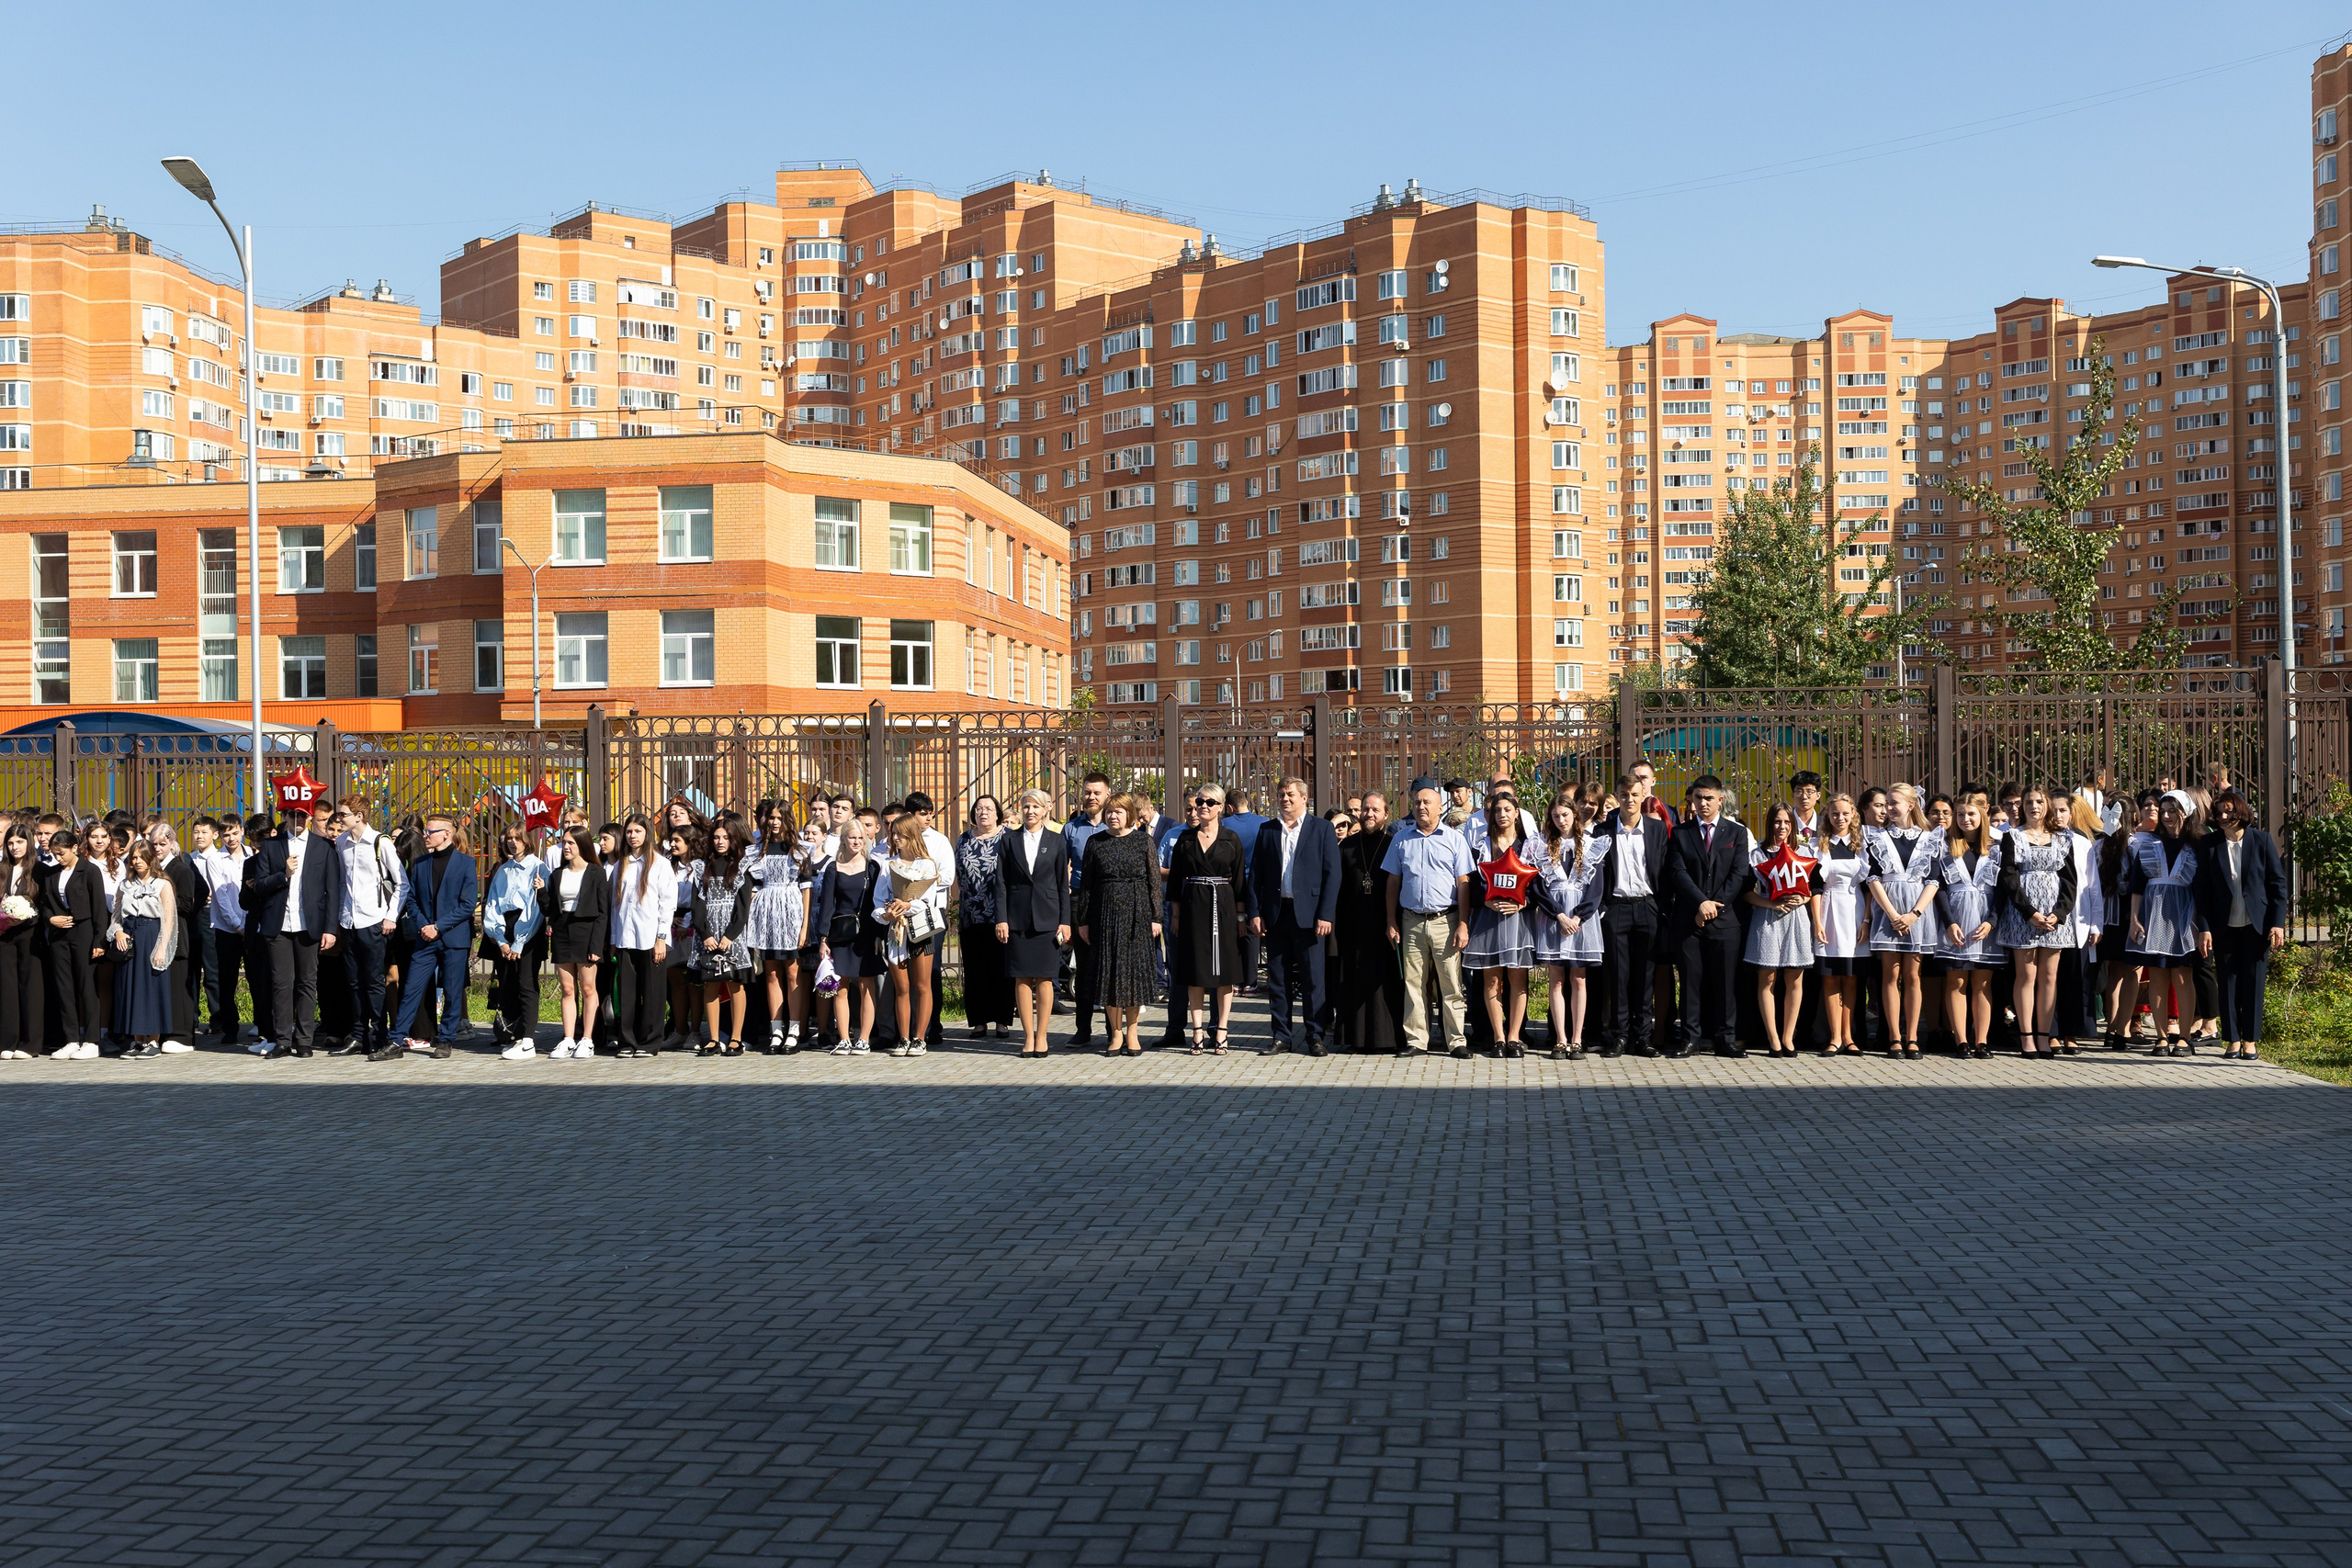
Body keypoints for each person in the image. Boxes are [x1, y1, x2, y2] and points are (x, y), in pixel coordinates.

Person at [1382, 777, 1477, 1058]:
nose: (1421, 807)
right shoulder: (1401, 839)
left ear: (1439, 807)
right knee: (1414, 984)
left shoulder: (1454, 839)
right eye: (1417, 803)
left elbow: (1464, 883)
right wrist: (1391, 920)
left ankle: (1456, 1041)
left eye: (1427, 803)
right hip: (1411, 920)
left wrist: (1463, 923)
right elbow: (1392, 883)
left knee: (1450, 983)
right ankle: (1416, 1040)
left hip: (1445, 921)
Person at [1247, 775, 1342, 1056]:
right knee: (1278, 978)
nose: (1285, 799)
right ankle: (1281, 1036)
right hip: (1277, 915)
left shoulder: (1321, 829)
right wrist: (1255, 913)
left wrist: (1326, 914)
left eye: (1290, 794)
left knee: (1313, 979)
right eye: (1281, 794)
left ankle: (1314, 1035)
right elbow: (1257, 876)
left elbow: (1332, 875)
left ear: (1304, 798)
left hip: (1310, 917)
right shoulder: (1267, 830)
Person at [243, 802, 345, 1060]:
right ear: (284, 817)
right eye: (292, 814)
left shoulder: (324, 846)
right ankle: (282, 1040)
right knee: (280, 983)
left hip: (310, 924)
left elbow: (332, 891)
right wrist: (283, 873)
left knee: (307, 983)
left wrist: (330, 929)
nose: (297, 819)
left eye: (302, 815)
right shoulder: (271, 846)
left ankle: (304, 1040)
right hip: (278, 924)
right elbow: (260, 885)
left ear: (310, 817)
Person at [2196, 786, 2287, 1062]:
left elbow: (2277, 884)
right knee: (2228, 981)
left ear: (2241, 812)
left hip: (2256, 924)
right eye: (2219, 811)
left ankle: (2250, 1041)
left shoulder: (2261, 840)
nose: (2223, 816)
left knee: (2254, 982)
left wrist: (2277, 923)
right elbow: (2201, 890)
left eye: (2228, 811)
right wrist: (2204, 927)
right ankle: (2232, 1040)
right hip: (2223, 925)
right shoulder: (2209, 845)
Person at [1664, 774, 1752, 1058]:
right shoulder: (1680, 832)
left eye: (1709, 798)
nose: (1703, 803)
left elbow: (1739, 874)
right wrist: (1700, 904)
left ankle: (1725, 1038)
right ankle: (1691, 1038)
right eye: (1698, 797)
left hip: (1725, 920)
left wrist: (1714, 906)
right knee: (1690, 980)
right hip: (1689, 920)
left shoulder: (1736, 833)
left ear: (1720, 800)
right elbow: (1677, 873)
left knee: (1725, 982)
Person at [1461, 784, 1552, 1059]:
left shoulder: (1529, 847)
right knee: (1491, 978)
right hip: (1488, 919)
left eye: (1507, 809)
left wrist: (1523, 903)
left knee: (1517, 978)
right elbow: (1472, 884)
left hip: (1519, 920)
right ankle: (1498, 1038)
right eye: (1497, 809)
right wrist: (1485, 901)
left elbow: (1539, 886)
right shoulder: (1481, 846)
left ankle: (1514, 1037)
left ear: (1517, 814)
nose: (1502, 814)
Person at [1074, 792, 1164, 1057]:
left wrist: (1155, 916)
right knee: (1109, 974)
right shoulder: (1096, 842)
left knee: (1133, 975)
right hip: (1105, 912)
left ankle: (1133, 1031)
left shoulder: (1143, 841)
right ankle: (1115, 1032)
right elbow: (1087, 884)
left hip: (1136, 912)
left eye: (1119, 811)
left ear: (1130, 815)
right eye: (1110, 811)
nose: (1113, 816)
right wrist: (1083, 921)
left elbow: (1154, 882)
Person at [1596, 773, 1670, 1058]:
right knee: (1617, 976)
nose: (1629, 800)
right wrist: (1603, 907)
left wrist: (1660, 908)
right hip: (1616, 908)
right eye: (1624, 795)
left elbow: (1664, 870)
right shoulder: (1603, 832)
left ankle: (1643, 1037)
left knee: (1645, 976)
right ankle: (1619, 1036)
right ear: (1618, 795)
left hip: (1647, 907)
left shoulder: (1656, 829)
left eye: (1635, 795)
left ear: (1643, 796)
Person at [992, 789, 1071, 1058]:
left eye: (1036, 807)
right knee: (1022, 978)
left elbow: (1063, 885)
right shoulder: (1009, 840)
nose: (1030, 812)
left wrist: (1065, 922)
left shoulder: (1057, 841)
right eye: (1026, 807)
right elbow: (1000, 882)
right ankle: (1027, 1037)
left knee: (1045, 978)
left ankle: (1042, 1036)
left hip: (1048, 918)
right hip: (1016, 918)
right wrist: (1001, 918)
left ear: (1045, 810)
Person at [1169, 784, 1247, 1055]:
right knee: (1196, 971)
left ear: (1222, 808)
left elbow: (1239, 881)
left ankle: (1222, 1030)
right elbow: (1176, 879)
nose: (1203, 806)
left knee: (1224, 971)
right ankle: (1198, 1031)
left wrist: (1240, 917)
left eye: (1210, 802)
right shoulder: (1185, 839)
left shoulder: (1231, 839)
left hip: (1223, 904)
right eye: (1200, 801)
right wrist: (1176, 914)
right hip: (1193, 904)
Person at [2124, 789, 2203, 1056]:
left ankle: (2183, 1036)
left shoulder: (2198, 845)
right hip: (2153, 914)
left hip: (2184, 915)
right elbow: (2137, 885)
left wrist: (2200, 923)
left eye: (2173, 810)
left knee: (2182, 975)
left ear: (2186, 812)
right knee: (2156, 975)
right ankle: (2159, 1036)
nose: (2167, 816)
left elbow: (2204, 888)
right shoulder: (2149, 844)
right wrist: (2135, 919)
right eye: (2164, 810)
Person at [1863, 783, 1938, 1059]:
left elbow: (1933, 880)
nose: (1889, 808)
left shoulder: (1930, 838)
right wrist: (1894, 915)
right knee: (1890, 975)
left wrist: (1914, 914)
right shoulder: (1876, 838)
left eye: (1895, 803)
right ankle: (1894, 1037)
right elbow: (1872, 878)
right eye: (1885, 804)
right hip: (1888, 912)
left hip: (1917, 913)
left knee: (1913, 976)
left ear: (1911, 804)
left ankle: (1913, 1036)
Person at [390, 815, 474, 1058]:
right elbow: (412, 899)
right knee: (411, 989)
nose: (425, 835)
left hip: (453, 938)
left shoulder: (466, 863)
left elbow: (468, 904)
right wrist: (425, 926)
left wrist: (438, 926)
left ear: (447, 833)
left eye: (430, 831)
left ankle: (446, 1039)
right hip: (425, 937)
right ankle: (396, 1040)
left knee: (452, 988)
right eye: (426, 831)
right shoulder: (422, 862)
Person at [1743, 804, 1820, 1058]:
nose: (1782, 827)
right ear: (1769, 823)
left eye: (1787, 822)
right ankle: (1773, 1038)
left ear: (1793, 825)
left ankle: (1788, 1037)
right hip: (1766, 919)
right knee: (1767, 978)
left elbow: (1816, 889)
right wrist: (1770, 903)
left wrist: (1804, 899)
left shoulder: (1806, 853)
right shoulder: (1756, 855)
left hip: (1796, 920)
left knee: (1795, 979)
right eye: (1777, 822)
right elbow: (1745, 893)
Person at [331, 801, 406, 1058]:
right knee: (353, 982)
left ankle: (380, 1035)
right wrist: (340, 916)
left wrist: (390, 916)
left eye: (343, 814)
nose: (338, 818)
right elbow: (342, 882)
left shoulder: (379, 842)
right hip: (349, 921)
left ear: (359, 816)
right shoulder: (341, 842)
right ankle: (358, 1034)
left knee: (374, 981)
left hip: (374, 920)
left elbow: (401, 882)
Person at [1332, 790, 1405, 1055]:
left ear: (1386, 814)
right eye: (1365, 810)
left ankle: (1389, 1038)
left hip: (1386, 923)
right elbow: (1337, 888)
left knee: (1385, 982)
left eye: (1375, 810)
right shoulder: (1348, 847)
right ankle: (1356, 1038)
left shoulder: (1394, 844)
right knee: (1354, 981)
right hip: (1354, 925)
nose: (1369, 814)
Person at [1536, 789, 1606, 1061]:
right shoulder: (1542, 845)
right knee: (1556, 980)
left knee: (1578, 978)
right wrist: (1559, 916)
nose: (1560, 820)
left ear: (1574, 815)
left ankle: (1577, 1039)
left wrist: (1577, 917)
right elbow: (1539, 888)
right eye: (1555, 816)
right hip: (1555, 918)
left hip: (1581, 920)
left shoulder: (1590, 843)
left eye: (1565, 815)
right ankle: (1561, 1039)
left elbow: (1596, 888)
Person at [1932, 793, 2002, 1059]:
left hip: (1984, 921)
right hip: (1956, 920)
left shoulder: (1996, 846)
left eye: (1971, 814)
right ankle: (1961, 1040)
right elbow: (1938, 887)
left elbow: (2002, 890)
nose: (1965, 819)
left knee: (1983, 983)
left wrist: (1991, 921)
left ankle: (1981, 1041)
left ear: (1982, 815)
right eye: (1960, 814)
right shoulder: (1945, 845)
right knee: (1957, 980)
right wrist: (1949, 923)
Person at [876, 814, 947, 1059]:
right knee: (902, 988)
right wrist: (885, 914)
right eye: (893, 833)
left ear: (912, 835)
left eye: (900, 833)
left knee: (922, 986)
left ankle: (920, 1037)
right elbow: (878, 901)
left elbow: (929, 901)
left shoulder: (926, 864)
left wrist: (907, 905)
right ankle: (903, 1037)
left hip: (921, 931)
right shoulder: (889, 865)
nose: (896, 838)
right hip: (897, 932)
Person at [607, 814, 678, 1059]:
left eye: (637, 831)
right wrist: (614, 939)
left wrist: (661, 938)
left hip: (650, 937)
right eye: (629, 832)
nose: (633, 836)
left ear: (647, 833)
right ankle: (627, 1040)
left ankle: (650, 1041)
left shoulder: (660, 864)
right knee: (627, 992)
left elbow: (667, 904)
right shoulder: (620, 865)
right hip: (625, 938)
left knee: (652, 991)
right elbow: (615, 905)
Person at [811, 816, 883, 1055]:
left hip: (866, 933)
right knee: (840, 987)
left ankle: (863, 1038)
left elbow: (876, 904)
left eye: (860, 838)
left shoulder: (873, 867)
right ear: (843, 840)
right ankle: (843, 1038)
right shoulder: (833, 868)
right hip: (840, 934)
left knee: (866, 985)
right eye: (852, 837)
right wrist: (823, 938)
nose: (856, 841)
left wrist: (877, 936)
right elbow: (827, 905)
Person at [745, 801, 810, 1053]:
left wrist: (805, 927)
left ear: (787, 820)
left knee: (793, 972)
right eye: (771, 817)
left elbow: (806, 889)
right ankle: (776, 1030)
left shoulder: (800, 850)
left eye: (779, 818)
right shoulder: (756, 851)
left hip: (791, 913)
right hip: (766, 914)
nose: (774, 822)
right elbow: (752, 888)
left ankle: (794, 1028)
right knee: (771, 974)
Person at [541, 826, 611, 1059]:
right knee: (568, 989)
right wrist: (541, 892)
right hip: (562, 931)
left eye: (571, 843)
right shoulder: (557, 874)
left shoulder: (596, 872)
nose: (566, 847)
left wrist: (595, 946)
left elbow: (603, 913)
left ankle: (587, 1039)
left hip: (587, 931)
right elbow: (550, 909)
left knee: (588, 988)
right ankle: (568, 1038)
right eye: (564, 843)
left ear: (582, 845)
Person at [106, 840, 178, 1060]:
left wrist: (161, 948)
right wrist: (117, 932)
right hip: (130, 936)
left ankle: (154, 1040)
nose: (136, 861)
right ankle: (137, 1040)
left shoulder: (162, 884)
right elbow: (116, 915)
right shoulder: (124, 885)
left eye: (140, 857)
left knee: (151, 987)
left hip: (151, 934)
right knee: (131, 988)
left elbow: (169, 919)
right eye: (133, 857)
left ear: (150, 858)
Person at [690, 817, 757, 1055]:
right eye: (716, 837)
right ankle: (714, 1038)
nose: (720, 841)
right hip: (707, 937)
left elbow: (743, 908)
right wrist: (705, 934)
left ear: (733, 839)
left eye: (726, 837)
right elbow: (696, 905)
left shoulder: (741, 867)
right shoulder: (701, 867)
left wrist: (730, 935)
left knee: (735, 984)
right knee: (710, 985)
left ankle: (736, 1038)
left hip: (732, 936)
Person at [39, 829, 106, 1059]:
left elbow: (98, 907)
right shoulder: (51, 874)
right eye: (55, 853)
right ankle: (70, 1039)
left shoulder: (89, 870)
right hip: (59, 935)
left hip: (84, 932)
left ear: (74, 848)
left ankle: (91, 1040)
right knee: (64, 987)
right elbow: (45, 903)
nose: (58, 857)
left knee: (87, 986)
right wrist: (50, 919)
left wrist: (99, 940)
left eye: (62, 853)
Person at [955, 795, 1016, 1043]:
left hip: (1000, 915)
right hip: (971, 915)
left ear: (998, 813)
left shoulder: (1009, 837)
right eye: (979, 809)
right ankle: (978, 1022)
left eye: (989, 809)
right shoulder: (964, 839)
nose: (984, 813)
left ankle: (1002, 1021)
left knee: (1001, 969)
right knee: (975, 969)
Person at [1813, 794, 1870, 1055]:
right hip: (1828, 910)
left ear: (1853, 815)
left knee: (1850, 978)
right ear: (1828, 815)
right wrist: (1817, 923)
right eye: (1835, 813)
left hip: (1855, 910)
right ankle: (1834, 1037)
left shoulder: (1862, 845)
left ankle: (1849, 1035)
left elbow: (1870, 887)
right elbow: (1814, 888)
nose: (1840, 818)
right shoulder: (1819, 846)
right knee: (1830, 979)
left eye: (1845, 813)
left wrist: (1866, 920)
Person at [486, 829, 548, 1059]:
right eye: (509, 839)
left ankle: (528, 1039)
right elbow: (493, 904)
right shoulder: (503, 870)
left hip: (528, 928)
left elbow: (535, 909)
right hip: (506, 926)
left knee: (526, 983)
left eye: (517, 838)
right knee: (509, 983)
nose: (512, 843)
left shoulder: (538, 867)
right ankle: (514, 1034)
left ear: (527, 841)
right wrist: (501, 939)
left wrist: (519, 942)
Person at [1062, 773, 1112, 1045]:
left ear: (1107, 794)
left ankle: (1112, 1029)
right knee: (1082, 967)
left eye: (1096, 793)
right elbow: (1061, 869)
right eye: (1087, 793)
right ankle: (1083, 1029)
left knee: (1107, 965)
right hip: (1079, 901)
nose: (1091, 797)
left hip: (1109, 901)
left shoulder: (1115, 825)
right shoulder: (1072, 828)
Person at [195, 817, 251, 1046]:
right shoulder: (215, 860)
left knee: (257, 978)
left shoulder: (252, 855)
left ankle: (262, 1025)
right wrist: (238, 925)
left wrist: (249, 924)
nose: (231, 839)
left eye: (235, 833)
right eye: (226, 835)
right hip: (227, 928)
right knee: (226, 980)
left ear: (242, 831)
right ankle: (230, 1027)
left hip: (251, 925)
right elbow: (221, 896)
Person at [0, 823, 41, 1060]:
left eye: (20, 842)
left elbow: (46, 903)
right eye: (11, 843)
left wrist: (26, 914)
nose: (15, 847)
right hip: (5, 934)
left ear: (29, 843)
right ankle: (7, 1040)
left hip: (31, 935)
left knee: (31, 987)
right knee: (6, 987)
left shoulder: (40, 870)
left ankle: (30, 1043)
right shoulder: (2, 869)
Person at [1222, 788, 1269, 991]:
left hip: (1230, 883)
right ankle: (1250, 981)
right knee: (1251, 930)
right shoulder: (1264, 823)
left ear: (1230, 807)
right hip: (1256, 883)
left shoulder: (1224, 824)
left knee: (1231, 930)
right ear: (1247, 802)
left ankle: (1233, 979)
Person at [1790, 772, 1825, 852]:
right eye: (1799, 791)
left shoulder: (1826, 824)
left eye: (1809, 792)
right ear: (1792, 795)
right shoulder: (1785, 824)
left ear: (1818, 795)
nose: (1804, 797)